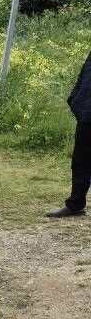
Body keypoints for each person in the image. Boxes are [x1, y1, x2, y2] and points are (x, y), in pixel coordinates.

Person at [47, 50, 91, 217]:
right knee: (80, 162)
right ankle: (75, 205)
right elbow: (84, 75)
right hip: (87, 115)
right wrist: (74, 98)